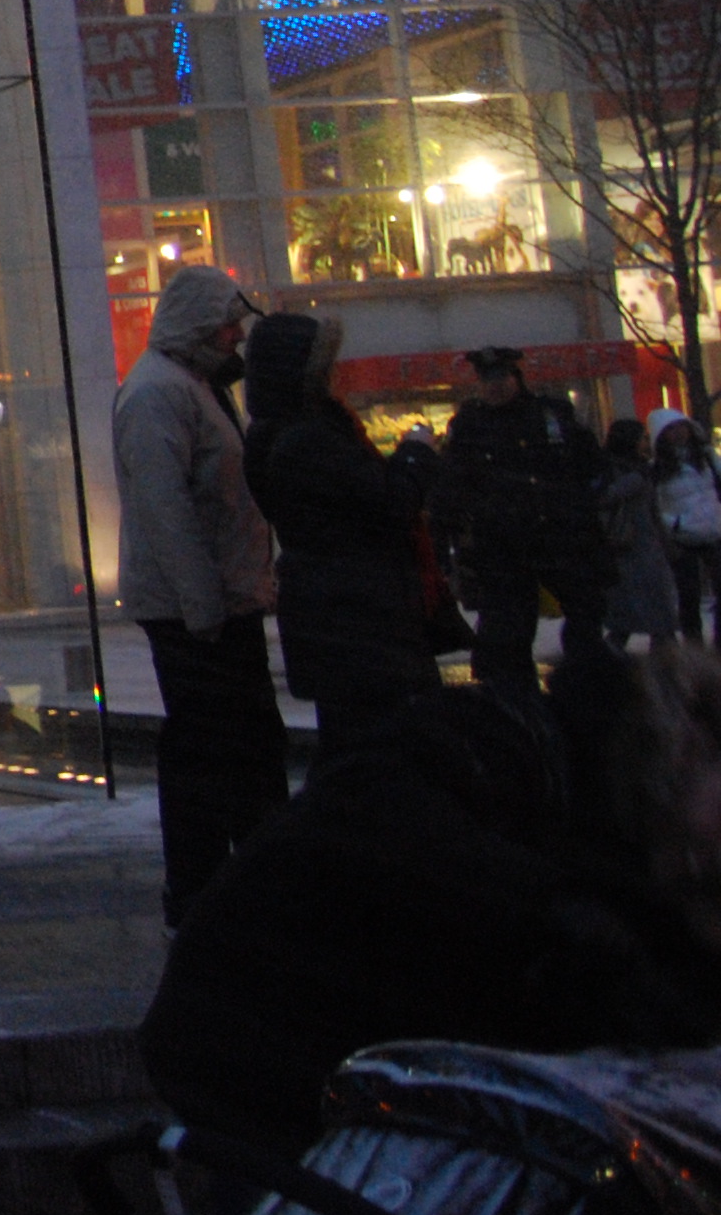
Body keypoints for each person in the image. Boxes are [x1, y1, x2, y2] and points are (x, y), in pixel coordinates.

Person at [141, 660, 721, 1149]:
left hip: (361, 1075)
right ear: (691, 745)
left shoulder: (632, 854)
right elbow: (376, 815)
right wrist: (556, 910)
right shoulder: (512, 739)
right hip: (264, 1043)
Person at [112, 264, 283, 922]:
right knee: (214, 751)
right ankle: (206, 889)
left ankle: (226, 886)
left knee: (231, 747)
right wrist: (203, 602)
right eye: (228, 325)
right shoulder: (160, 393)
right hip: (198, 611)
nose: (237, 336)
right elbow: (167, 511)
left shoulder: (189, 386)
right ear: (200, 327)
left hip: (215, 601)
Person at [240, 311, 435, 751]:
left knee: (356, 743)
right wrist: (415, 455)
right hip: (358, 620)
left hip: (335, 618)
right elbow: (388, 503)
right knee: (378, 746)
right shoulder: (310, 440)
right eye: (326, 365)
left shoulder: (275, 434)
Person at [444, 345, 608, 697]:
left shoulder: (551, 415)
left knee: (585, 618)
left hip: (560, 536)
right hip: (503, 544)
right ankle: (515, 700)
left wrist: (580, 512)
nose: (495, 386)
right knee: (507, 633)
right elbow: (453, 484)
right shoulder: (470, 424)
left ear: (516, 378)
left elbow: (590, 464)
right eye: (487, 379)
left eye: (502, 377)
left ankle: (584, 691)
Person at [601, 416, 682, 650]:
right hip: (626, 544)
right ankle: (662, 651)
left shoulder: (642, 468)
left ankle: (660, 647)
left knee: (649, 602)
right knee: (644, 601)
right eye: (641, 438)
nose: (645, 442)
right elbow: (603, 497)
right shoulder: (619, 470)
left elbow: (652, 510)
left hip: (644, 544)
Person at [655, 412, 721, 643]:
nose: (679, 433)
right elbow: (655, 505)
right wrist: (673, 525)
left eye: (681, 427)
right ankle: (694, 644)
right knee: (689, 595)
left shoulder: (707, 457)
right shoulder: (657, 468)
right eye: (671, 429)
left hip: (713, 531)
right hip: (682, 537)